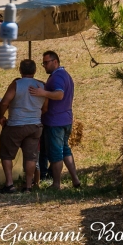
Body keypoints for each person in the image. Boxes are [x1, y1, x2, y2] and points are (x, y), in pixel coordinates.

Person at [29, 51, 81, 190]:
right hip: (66, 119)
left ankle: (56, 184)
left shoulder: (57, 77)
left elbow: (59, 94)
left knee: (56, 153)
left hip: (55, 121)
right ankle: (75, 179)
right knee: (65, 150)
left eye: (46, 62)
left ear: (55, 62)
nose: (44, 66)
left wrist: (43, 93)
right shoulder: (65, 75)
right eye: (43, 63)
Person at [0, 59, 47, 193]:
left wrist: (1, 117)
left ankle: (9, 184)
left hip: (16, 125)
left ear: (20, 70)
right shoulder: (42, 85)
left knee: (7, 155)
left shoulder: (16, 85)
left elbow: (4, 103)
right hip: (35, 126)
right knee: (31, 156)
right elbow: (45, 108)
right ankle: (28, 185)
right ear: (35, 71)